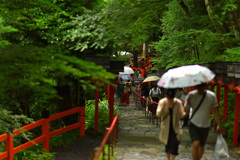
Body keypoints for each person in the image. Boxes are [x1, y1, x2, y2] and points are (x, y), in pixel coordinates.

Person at [184, 83, 221, 160]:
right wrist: (187, 103)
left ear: (205, 86)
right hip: (193, 123)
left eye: (201, 87)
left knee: (201, 146)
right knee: (195, 143)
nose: (200, 89)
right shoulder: (191, 95)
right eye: (198, 87)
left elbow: (214, 110)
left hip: (205, 124)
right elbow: (186, 112)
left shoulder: (211, 96)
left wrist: (218, 124)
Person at [156, 89, 186, 160]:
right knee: (168, 146)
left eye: (171, 98)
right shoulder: (162, 102)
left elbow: (181, 115)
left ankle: (172, 159)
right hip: (166, 128)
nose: (170, 100)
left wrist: (186, 112)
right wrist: (162, 107)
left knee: (175, 145)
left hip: (176, 127)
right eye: (169, 98)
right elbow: (158, 114)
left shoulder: (178, 103)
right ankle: (168, 158)